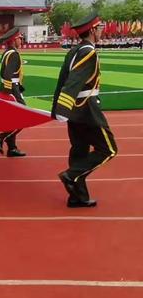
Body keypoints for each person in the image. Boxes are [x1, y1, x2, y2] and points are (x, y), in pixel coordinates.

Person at [52, 13, 118, 208]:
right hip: (86, 108)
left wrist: (61, 107)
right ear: (91, 30)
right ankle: (71, 176)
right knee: (108, 149)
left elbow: (62, 79)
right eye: (99, 29)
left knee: (79, 150)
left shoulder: (74, 51)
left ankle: (77, 196)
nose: (101, 32)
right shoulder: (88, 51)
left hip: (74, 110)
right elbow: (72, 82)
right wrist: (62, 107)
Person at [0, 27, 27, 157]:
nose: (22, 40)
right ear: (14, 39)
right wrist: (14, 96)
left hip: (9, 90)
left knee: (13, 120)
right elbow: (9, 76)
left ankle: (12, 148)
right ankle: (0, 138)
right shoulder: (13, 54)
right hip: (11, 91)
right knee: (24, 117)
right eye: (20, 38)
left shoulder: (7, 52)